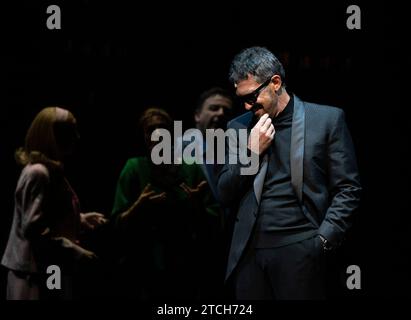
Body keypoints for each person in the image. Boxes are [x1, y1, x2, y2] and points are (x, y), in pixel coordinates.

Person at [217, 46, 361, 299]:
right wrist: (251, 154)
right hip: (249, 252)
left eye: (251, 97)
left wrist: (323, 241)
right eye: (241, 99)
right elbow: (224, 193)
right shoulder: (238, 128)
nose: (247, 106)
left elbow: (348, 188)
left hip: (302, 248)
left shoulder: (326, 120)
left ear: (275, 82)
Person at [111, 107, 220, 300]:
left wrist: (197, 207)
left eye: (163, 129)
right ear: (144, 135)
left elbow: (214, 220)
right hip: (145, 264)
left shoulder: (191, 167)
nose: (157, 134)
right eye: (150, 129)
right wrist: (138, 207)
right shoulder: (135, 168)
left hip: (187, 263)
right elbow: (117, 223)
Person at [1, 107, 107, 300]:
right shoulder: (39, 173)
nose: (77, 137)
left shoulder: (51, 171)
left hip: (49, 267)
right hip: (33, 273)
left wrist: (79, 219)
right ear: (52, 135)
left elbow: (49, 216)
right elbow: (33, 230)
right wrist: (74, 250)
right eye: (70, 131)